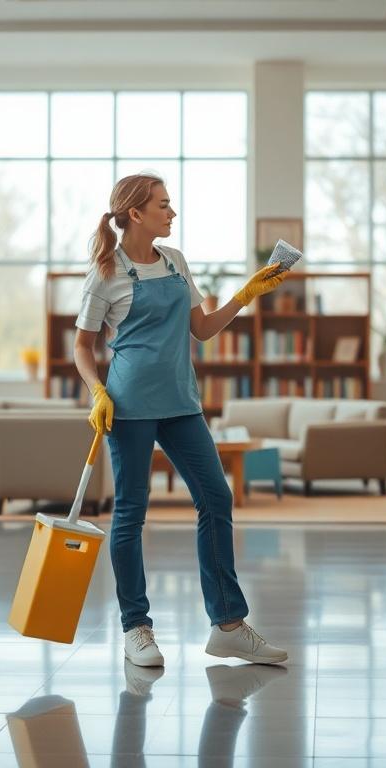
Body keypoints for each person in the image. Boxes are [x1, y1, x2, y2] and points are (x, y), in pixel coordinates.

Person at [73, 173, 289, 668]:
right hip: (127, 407)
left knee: (216, 497)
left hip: (181, 403)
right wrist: (97, 391)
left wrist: (247, 294)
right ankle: (136, 627)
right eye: (164, 205)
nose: (172, 213)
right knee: (130, 513)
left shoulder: (175, 263)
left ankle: (229, 626)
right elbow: (82, 346)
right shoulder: (105, 273)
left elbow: (204, 329)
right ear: (135, 214)